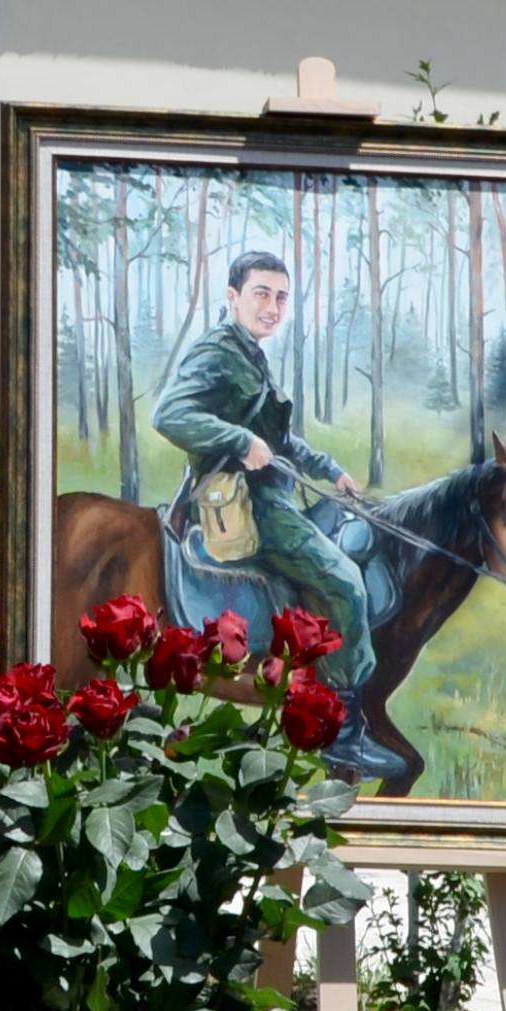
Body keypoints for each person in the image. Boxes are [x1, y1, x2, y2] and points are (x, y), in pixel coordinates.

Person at [151, 251, 384, 773]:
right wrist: (238, 439)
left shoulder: (248, 351)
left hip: (270, 488)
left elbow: (277, 437)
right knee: (346, 581)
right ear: (232, 297)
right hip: (249, 502)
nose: (272, 306)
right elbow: (168, 414)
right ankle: (345, 731)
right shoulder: (217, 352)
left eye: (281, 297)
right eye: (261, 293)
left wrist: (328, 469)